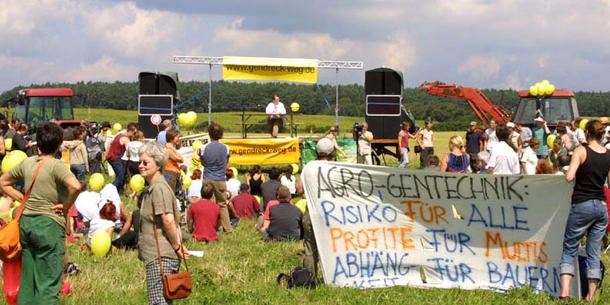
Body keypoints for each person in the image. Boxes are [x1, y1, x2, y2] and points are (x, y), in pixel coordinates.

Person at [0, 122, 81, 304]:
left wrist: (23, 199)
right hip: (48, 225)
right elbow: (76, 186)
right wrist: (66, 206)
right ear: (59, 144)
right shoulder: (56, 165)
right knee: (49, 284)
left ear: (38, 142)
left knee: (28, 282)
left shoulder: (27, 163)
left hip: (26, 224)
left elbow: (3, 181)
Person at [559, 119, 610, 302]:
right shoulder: (608, 154)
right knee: (594, 251)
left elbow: (569, 176)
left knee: (570, 247)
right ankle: (590, 296)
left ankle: (565, 293)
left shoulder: (582, 151)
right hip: (601, 207)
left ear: (587, 133)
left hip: (582, 203)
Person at [137, 142, 189, 305]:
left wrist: (176, 245)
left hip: (162, 256)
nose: (141, 166)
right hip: (157, 256)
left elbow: (168, 219)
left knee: (158, 302)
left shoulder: (159, 188)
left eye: (146, 163)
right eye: (140, 162)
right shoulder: (153, 188)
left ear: (158, 164)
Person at [198, 122, 232, 233]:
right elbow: (227, 163)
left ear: (209, 134)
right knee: (222, 204)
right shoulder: (226, 148)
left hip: (208, 178)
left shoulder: (203, 148)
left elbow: (202, 163)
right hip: (221, 179)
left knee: (209, 204)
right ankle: (227, 228)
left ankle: (211, 227)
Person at [106, 124, 135, 195]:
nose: (134, 135)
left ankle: (120, 192)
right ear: (131, 131)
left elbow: (110, 143)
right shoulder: (126, 139)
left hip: (110, 157)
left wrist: (108, 152)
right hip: (115, 158)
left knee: (120, 175)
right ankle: (108, 191)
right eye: (134, 133)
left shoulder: (119, 135)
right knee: (120, 177)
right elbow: (129, 151)